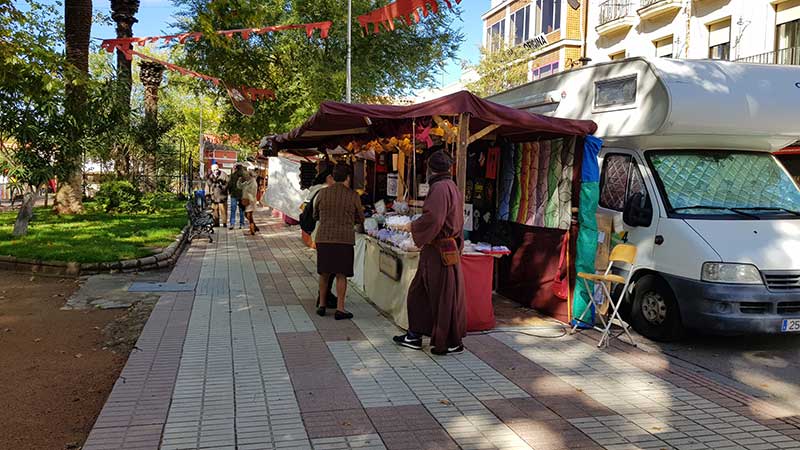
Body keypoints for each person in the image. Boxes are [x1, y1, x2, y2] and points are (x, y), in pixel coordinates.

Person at [394, 151, 466, 355]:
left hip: (438, 251)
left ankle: (449, 341)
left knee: (442, 296)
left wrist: (413, 227)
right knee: (420, 293)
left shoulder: (439, 188)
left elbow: (434, 218)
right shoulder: (451, 186)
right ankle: (415, 335)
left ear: (430, 169)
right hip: (443, 247)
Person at [313, 164, 364, 320]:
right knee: (341, 274)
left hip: (324, 238)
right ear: (348, 177)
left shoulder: (322, 193)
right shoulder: (353, 195)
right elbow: (360, 218)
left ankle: (322, 305)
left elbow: (315, 214)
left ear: (333, 177)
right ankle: (340, 308)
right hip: (344, 239)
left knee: (324, 273)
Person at [304, 168, 339, 309]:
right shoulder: (323, 192)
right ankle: (323, 297)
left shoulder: (317, 191)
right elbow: (317, 214)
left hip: (319, 233)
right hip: (325, 233)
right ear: (329, 178)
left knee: (327, 268)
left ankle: (325, 296)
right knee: (329, 269)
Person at [238, 166, 260, 235]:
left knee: (249, 216)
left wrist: (248, 198)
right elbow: (239, 186)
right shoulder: (247, 182)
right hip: (246, 201)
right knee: (246, 215)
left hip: (250, 201)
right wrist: (239, 180)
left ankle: (252, 230)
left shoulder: (253, 182)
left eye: (246, 175)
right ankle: (254, 227)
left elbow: (253, 193)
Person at [206, 162, 228, 228]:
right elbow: (207, 186)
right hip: (214, 197)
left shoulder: (223, 174)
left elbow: (228, 183)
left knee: (223, 211)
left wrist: (223, 188)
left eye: (217, 169)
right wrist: (207, 194)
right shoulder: (210, 176)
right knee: (215, 211)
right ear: (212, 170)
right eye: (214, 170)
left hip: (222, 197)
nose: (216, 171)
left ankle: (224, 223)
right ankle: (216, 223)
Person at [228, 163, 246, 230]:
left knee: (233, 210)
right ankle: (242, 224)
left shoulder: (232, 175)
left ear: (236, 168)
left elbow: (230, 185)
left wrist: (230, 192)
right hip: (242, 195)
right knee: (242, 210)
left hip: (234, 195)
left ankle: (232, 224)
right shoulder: (245, 176)